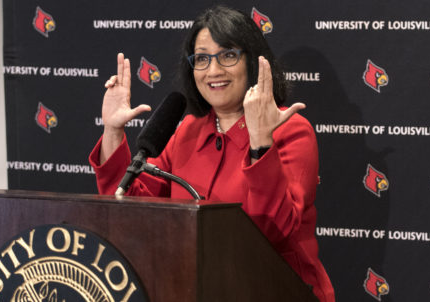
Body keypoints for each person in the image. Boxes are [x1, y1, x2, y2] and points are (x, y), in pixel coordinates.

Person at [88, 5, 335, 301]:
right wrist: (113, 132)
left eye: (228, 55)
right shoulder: (187, 131)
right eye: (202, 59)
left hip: (275, 290)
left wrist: (260, 140)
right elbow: (134, 213)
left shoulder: (292, 131)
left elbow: (274, 232)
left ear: (253, 62)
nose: (214, 71)